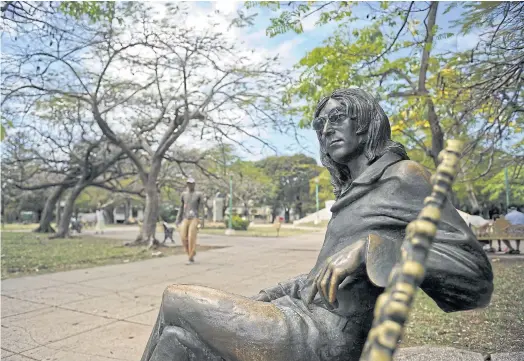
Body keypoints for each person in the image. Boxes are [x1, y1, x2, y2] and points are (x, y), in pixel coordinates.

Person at [140, 88, 493, 361]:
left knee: (176, 299)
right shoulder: (350, 196)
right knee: (177, 342)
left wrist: (372, 250)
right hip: (300, 314)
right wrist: (270, 294)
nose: (326, 130)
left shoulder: (405, 177)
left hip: (326, 339)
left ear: (366, 121)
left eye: (338, 118)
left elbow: (475, 277)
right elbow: (320, 277)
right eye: (320, 125)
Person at [175, 177, 203, 265]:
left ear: (194, 184)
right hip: (185, 218)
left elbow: (201, 208)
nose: (190, 185)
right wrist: (177, 219)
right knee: (183, 237)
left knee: (191, 237)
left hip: (194, 218)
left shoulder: (199, 194)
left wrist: (201, 221)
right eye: (188, 183)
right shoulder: (184, 194)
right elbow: (181, 207)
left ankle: (190, 257)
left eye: (192, 183)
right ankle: (190, 253)